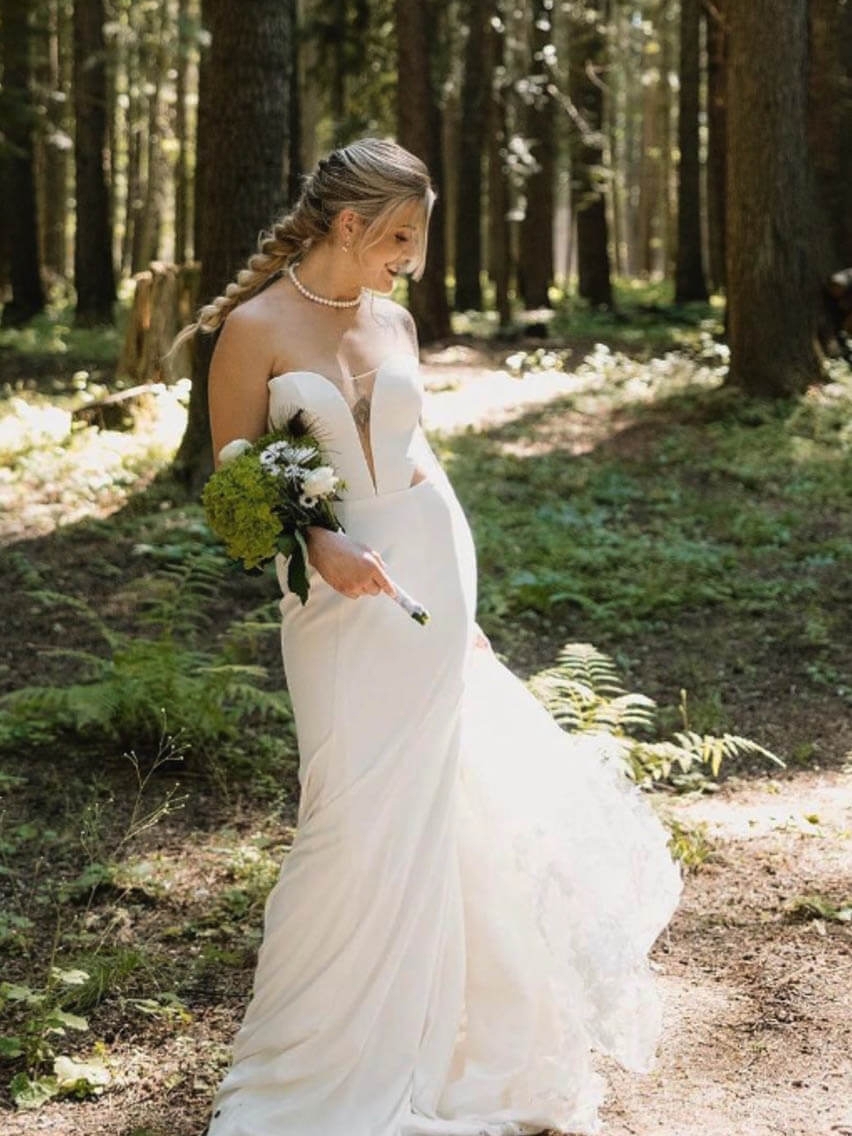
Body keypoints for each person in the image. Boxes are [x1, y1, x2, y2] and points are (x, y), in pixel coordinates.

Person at [185, 137, 682, 1136]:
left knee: (441, 807)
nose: (408, 258)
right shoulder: (254, 326)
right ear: (348, 223)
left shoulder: (398, 319)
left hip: (430, 577)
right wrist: (316, 541)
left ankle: (438, 1038)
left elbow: (417, 461)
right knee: (349, 816)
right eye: (399, 236)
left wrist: (468, 604)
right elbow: (229, 479)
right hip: (332, 603)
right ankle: (322, 1059)